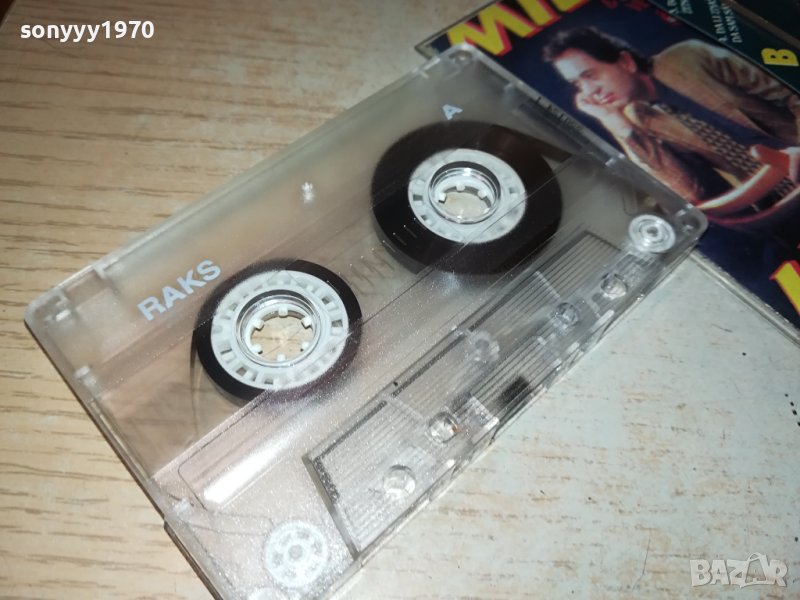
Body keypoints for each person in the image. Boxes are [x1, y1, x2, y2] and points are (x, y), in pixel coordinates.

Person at [542, 27, 800, 220]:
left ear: (626, 62)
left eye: (590, 75)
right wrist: (620, 128)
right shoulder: (637, 122)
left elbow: (791, 93)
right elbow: (688, 195)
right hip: (779, 201)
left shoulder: (691, 56)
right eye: (577, 84)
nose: (589, 92)